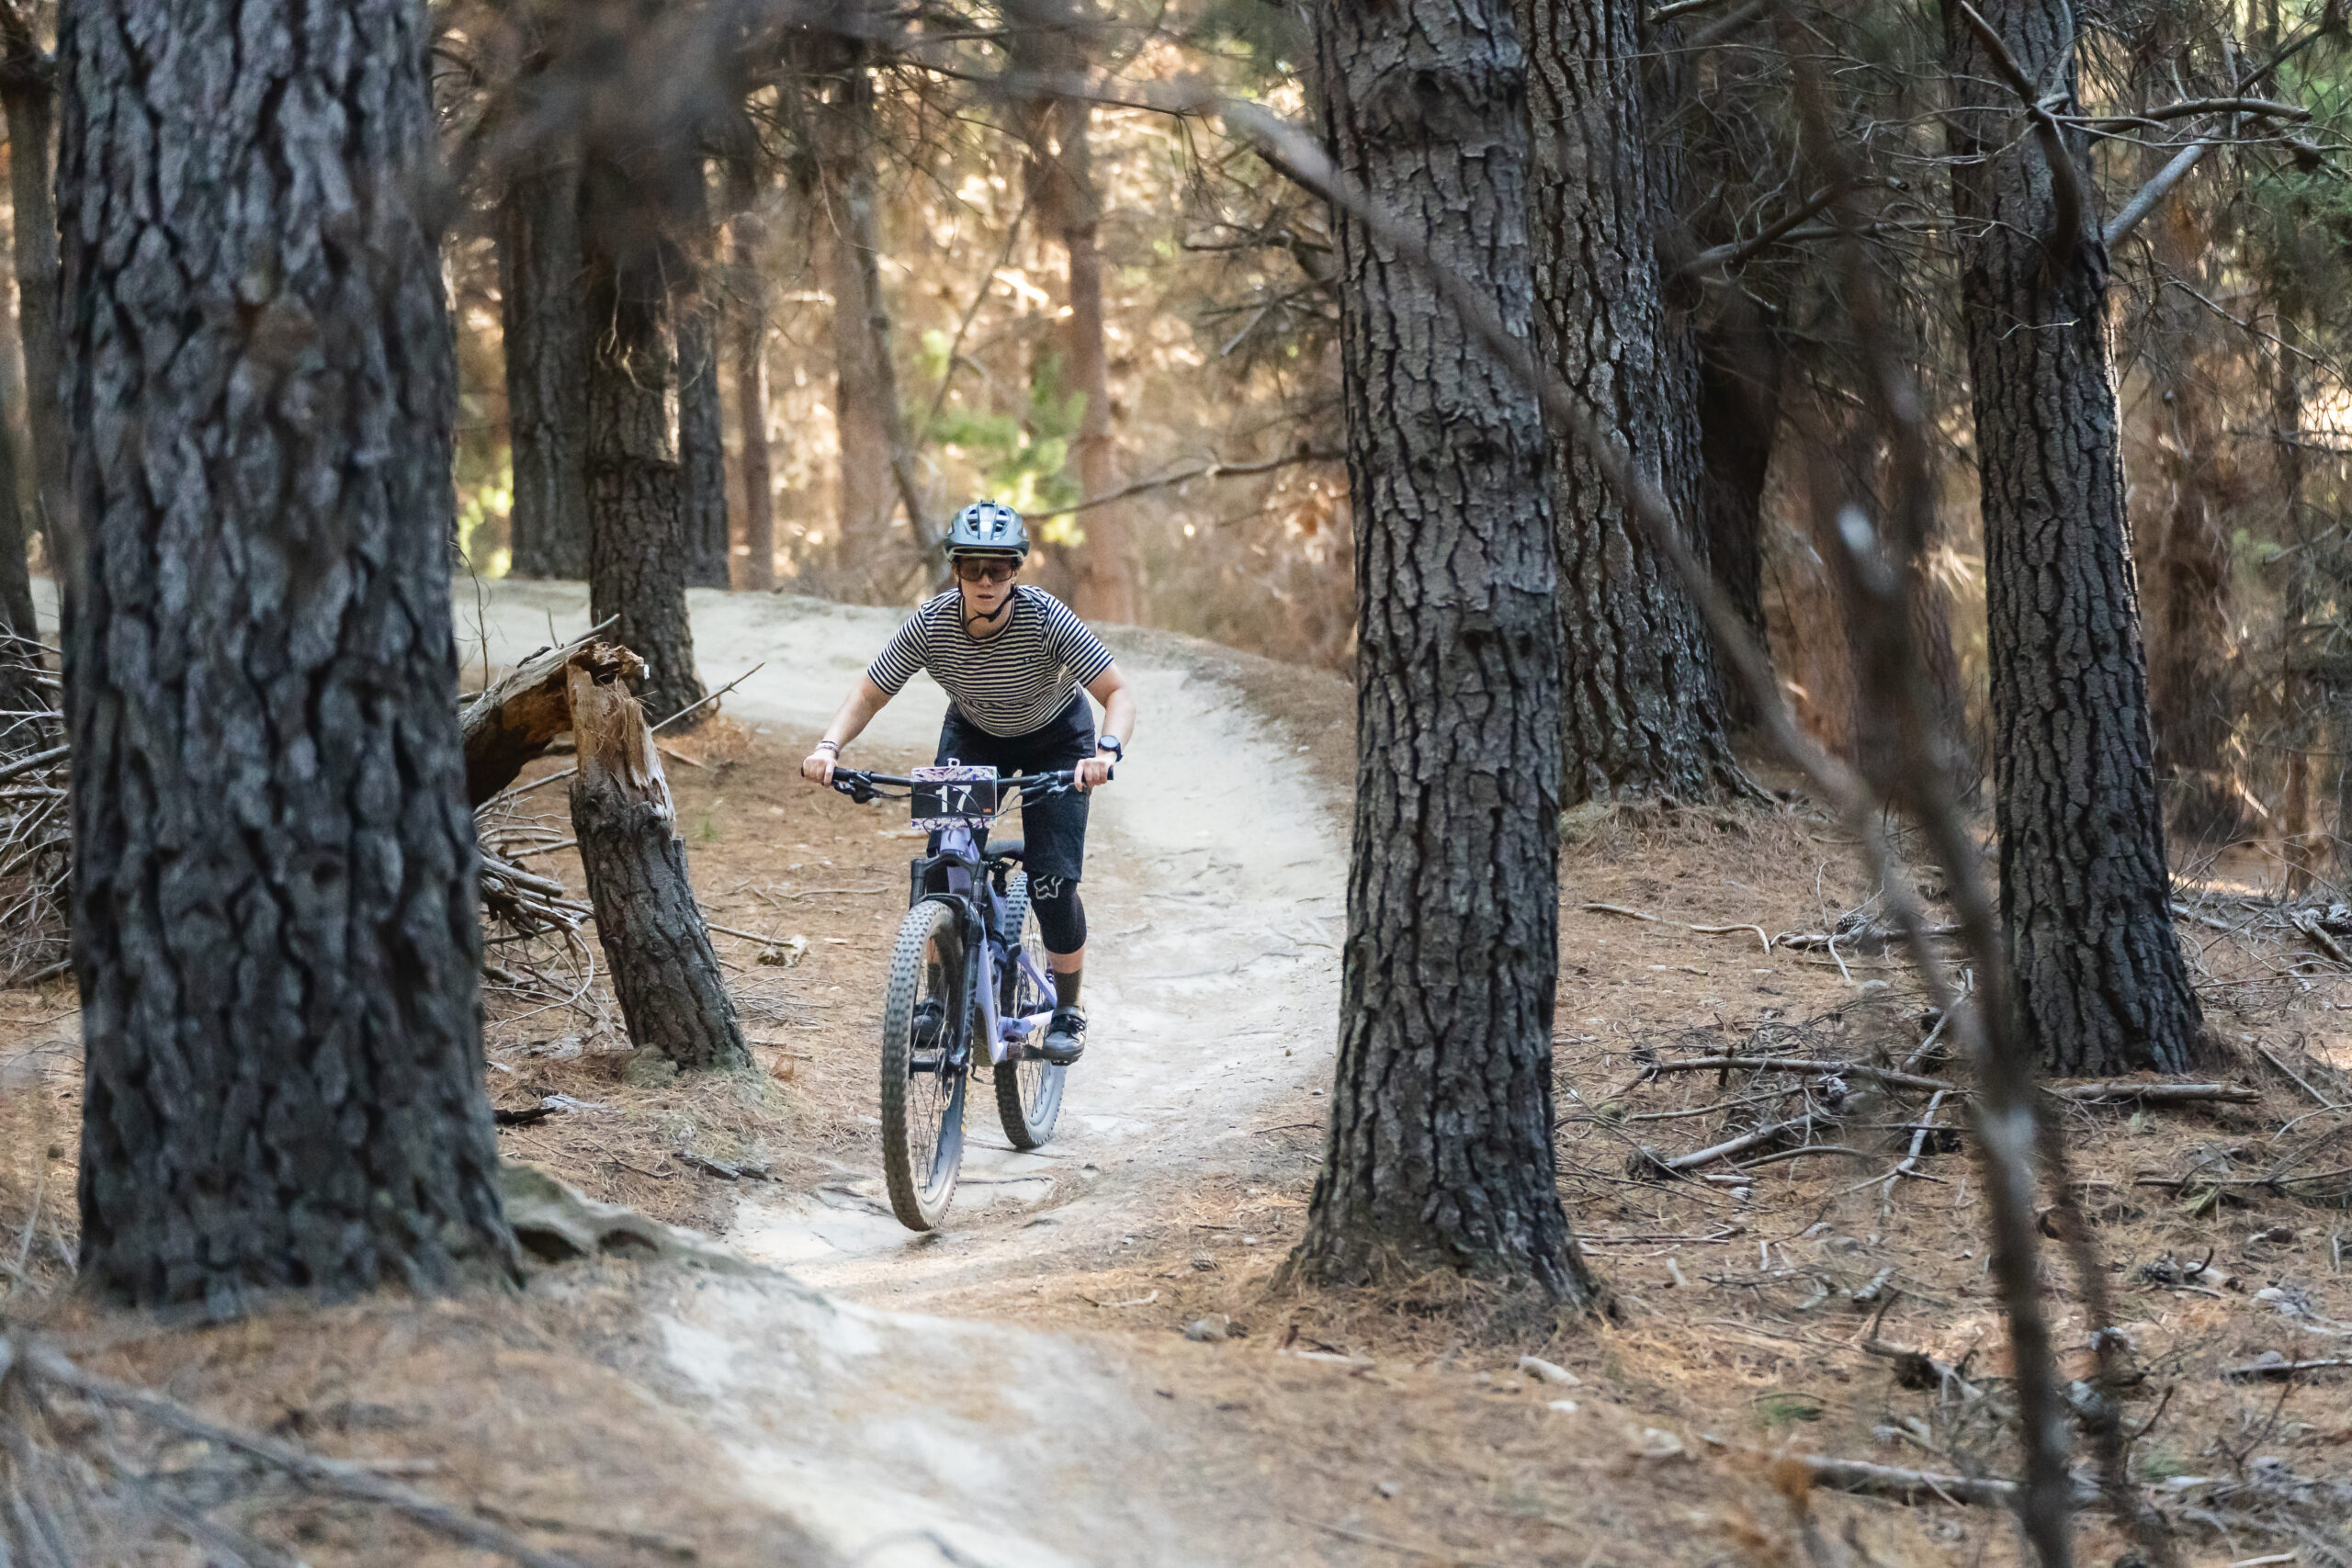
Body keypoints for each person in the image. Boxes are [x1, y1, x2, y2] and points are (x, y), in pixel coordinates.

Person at [802, 502, 1136, 1066]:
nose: (985, 580)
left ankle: (1068, 1009)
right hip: (976, 735)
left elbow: (1118, 693)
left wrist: (1105, 753)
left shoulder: (1045, 618)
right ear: (955, 568)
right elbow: (868, 693)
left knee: (1051, 884)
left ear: (1015, 571)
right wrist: (828, 747)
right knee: (946, 866)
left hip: (1058, 738)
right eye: (973, 567)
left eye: (998, 568)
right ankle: (937, 1000)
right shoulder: (932, 624)